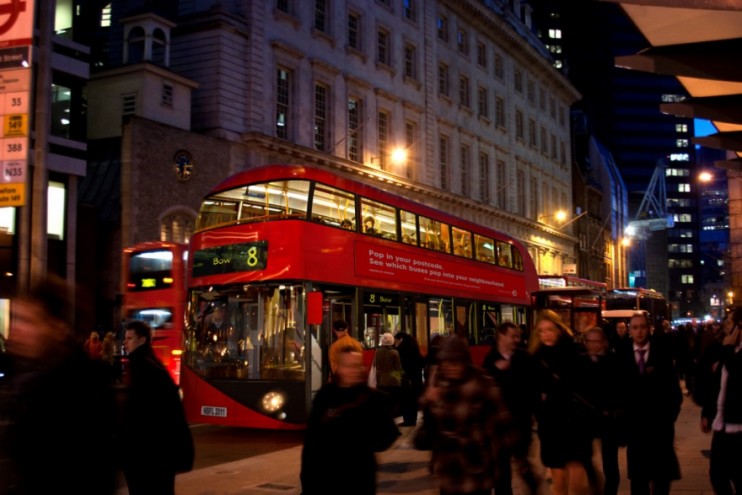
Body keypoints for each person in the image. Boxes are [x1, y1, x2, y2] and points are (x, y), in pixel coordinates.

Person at [4, 276, 117, 495]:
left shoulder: (81, 388)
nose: (16, 329)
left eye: (28, 321)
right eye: (16, 318)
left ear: (55, 327)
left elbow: (90, 474)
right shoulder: (31, 377)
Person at [300, 347, 399, 495]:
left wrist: (362, 444)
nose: (354, 370)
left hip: (358, 478)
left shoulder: (373, 399)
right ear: (338, 367)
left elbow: (388, 435)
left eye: (357, 365)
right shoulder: (325, 395)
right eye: (348, 365)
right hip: (324, 478)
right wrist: (307, 480)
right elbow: (311, 440)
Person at [420, 334, 510, 495]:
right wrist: (428, 403)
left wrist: (502, 469)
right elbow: (428, 432)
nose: (450, 366)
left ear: (464, 361)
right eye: (446, 362)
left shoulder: (481, 383)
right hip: (448, 473)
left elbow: (500, 426)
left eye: (455, 362)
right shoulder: (439, 383)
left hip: (476, 473)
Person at [119, 320, 194, 495]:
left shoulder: (142, 367)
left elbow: (139, 415)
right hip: (158, 455)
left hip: (147, 456)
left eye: (129, 338)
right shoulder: (151, 364)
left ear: (142, 340)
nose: (125, 342)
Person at [529, 309, 593, 495]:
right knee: (559, 485)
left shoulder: (574, 352)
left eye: (549, 329)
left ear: (558, 329)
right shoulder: (535, 357)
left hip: (575, 426)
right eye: (541, 331)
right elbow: (532, 391)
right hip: (551, 427)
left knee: (578, 487)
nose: (545, 335)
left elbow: (584, 386)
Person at [617, 312, 682, 495]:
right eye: (635, 327)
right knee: (638, 483)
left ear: (649, 329)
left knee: (661, 482)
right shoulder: (622, 356)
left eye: (642, 327)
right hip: (635, 432)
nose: (639, 331)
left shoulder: (662, 354)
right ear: (630, 331)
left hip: (660, 430)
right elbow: (618, 393)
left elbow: (674, 393)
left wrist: (668, 418)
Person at [482, 321, 540, 495]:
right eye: (513, 336)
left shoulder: (524, 358)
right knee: (502, 472)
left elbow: (532, 388)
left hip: (520, 424)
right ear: (501, 336)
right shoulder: (490, 361)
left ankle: (533, 487)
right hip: (498, 427)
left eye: (518, 336)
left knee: (523, 465)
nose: (517, 339)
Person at [698, 308, 742, 495]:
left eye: (730, 324)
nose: (726, 327)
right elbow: (717, 388)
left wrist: (727, 350)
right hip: (722, 424)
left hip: (738, 426)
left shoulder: (731, 352)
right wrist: (707, 413)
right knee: (717, 475)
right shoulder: (727, 350)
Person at [576, 326, 624, 495]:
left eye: (595, 341)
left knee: (610, 463)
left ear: (603, 343)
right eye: (588, 341)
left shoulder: (614, 361)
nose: (591, 345)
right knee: (584, 457)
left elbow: (619, 390)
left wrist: (610, 409)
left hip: (608, 419)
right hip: (587, 419)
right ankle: (595, 486)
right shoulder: (580, 361)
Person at [395, 331, 424, 426]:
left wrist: (397, 375)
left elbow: (400, 367)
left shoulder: (401, 350)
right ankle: (413, 420)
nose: (395, 342)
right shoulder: (414, 348)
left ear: (401, 339)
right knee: (413, 401)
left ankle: (407, 420)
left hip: (406, 380)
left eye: (396, 340)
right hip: (416, 379)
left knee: (406, 401)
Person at [372, 332, 404, 417]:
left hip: (380, 380)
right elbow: (398, 368)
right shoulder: (394, 352)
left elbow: (375, 365)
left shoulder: (377, 352)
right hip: (392, 381)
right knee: (393, 401)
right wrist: (401, 379)